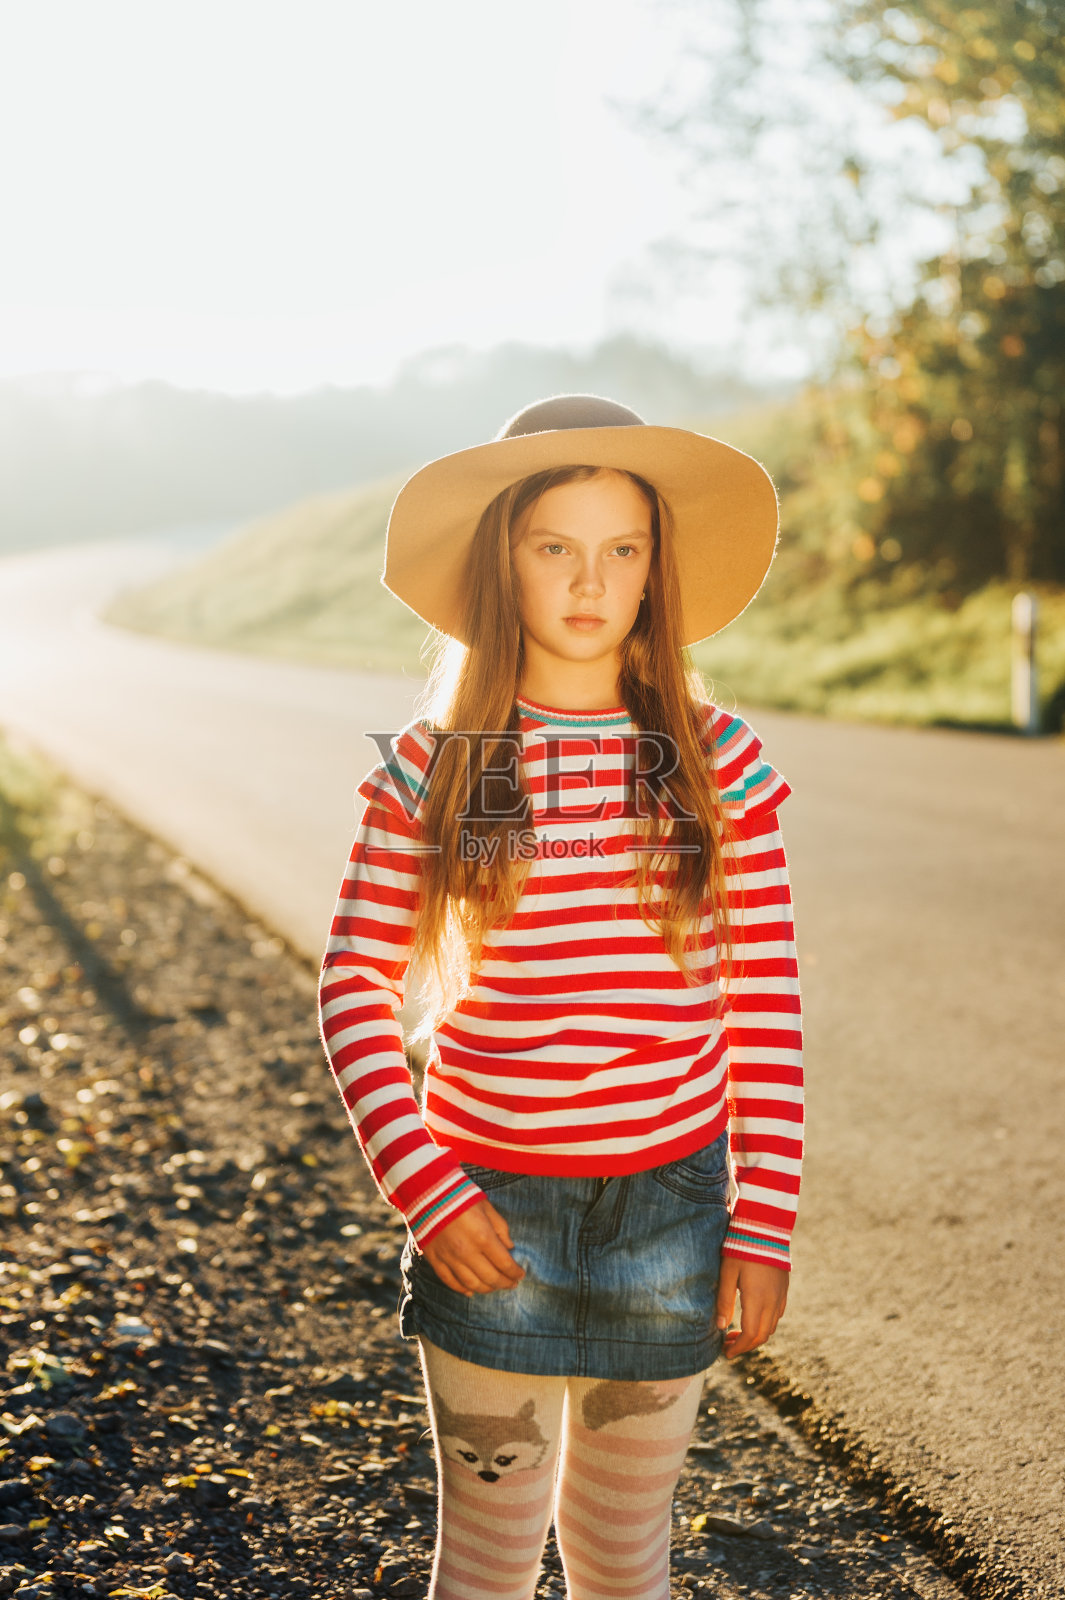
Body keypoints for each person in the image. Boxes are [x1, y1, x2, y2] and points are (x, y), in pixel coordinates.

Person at [317, 394, 803, 1600]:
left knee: (624, 1558)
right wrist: (426, 1188)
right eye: (555, 547)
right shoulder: (451, 765)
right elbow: (355, 984)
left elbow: (768, 1001)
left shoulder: (710, 759)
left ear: (655, 571)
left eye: (621, 549)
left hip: (672, 1212)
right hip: (491, 1212)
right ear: (505, 563)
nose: (591, 581)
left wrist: (764, 1220)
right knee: (484, 1562)